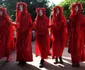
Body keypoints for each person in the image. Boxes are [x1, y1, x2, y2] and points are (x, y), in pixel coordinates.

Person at [69, 2, 85, 67]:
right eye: (74, 8)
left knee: (78, 48)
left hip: (79, 35)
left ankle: (77, 62)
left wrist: (80, 30)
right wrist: (72, 29)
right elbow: (70, 25)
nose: (76, 9)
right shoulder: (71, 16)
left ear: (79, 8)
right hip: (73, 34)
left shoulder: (82, 16)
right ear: (73, 8)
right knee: (73, 48)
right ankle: (73, 62)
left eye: (77, 8)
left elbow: (84, 25)